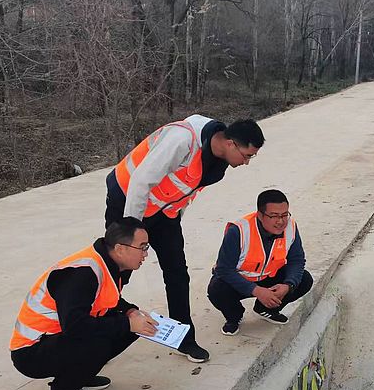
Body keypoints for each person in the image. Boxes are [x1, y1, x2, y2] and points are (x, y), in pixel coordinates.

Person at [105, 116, 264, 363]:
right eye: (247, 156)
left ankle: (183, 339)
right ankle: (98, 334)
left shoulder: (217, 159)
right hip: (127, 201)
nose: (246, 162)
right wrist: (133, 232)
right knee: (116, 271)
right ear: (231, 143)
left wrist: (175, 215)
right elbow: (140, 182)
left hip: (164, 212)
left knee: (177, 273)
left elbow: (186, 188)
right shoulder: (182, 140)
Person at [10, 218, 159, 390]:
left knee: (132, 327)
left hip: (57, 339)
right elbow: (75, 326)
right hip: (31, 352)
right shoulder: (82, 274)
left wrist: (130, 311)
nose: (146, 254)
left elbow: (107, 299)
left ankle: (80, 375)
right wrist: (127, 323)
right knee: (102, 339)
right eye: (142, 247)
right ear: (120, 249)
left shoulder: (109, 264)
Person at [207, 189, 313, 335]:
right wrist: (256, 291)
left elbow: (297, 260)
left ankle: (265, 309)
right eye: (274, 216)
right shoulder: (239, 231)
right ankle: (234, 317)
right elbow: (224, 269)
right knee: (217, 290)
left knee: (304, 279)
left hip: (269, 278)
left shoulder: (291, 227)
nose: (281, 221)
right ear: (260, 215)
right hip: (240, 282)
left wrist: (288, 285)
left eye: (284, 215)